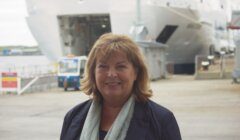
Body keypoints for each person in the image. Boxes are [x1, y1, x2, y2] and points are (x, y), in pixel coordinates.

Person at [60, 33, 182, 140]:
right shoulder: (73, 118)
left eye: (120, 66)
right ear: (93, 72)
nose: (111, 74)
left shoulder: (162, 121)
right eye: (103, 66)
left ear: (136, 73)